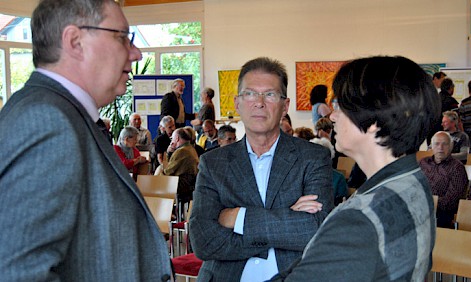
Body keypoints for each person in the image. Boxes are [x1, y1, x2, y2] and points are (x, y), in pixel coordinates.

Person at [0, 0, 171, 280]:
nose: (137, 53)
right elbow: (18, 272)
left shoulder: (65, 115)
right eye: (122, 37)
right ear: (75, 41)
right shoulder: (48, 121)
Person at [270, 56, 439, 281]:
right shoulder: (413, 178)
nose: (332, 115)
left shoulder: (357, 222)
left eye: (339, 105)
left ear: (373, 121)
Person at [190, 57, 334, 282]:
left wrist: (239, 218)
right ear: (237, 103)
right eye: (250, 94)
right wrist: (286, 223)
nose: (259, 102)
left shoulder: (313, 157)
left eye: (270, 94)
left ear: (285, 106)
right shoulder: (213, 163)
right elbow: (203, 241)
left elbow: (315, 230)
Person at [420, 131, 468, 228]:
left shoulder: (457, 168)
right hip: (418, 209)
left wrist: (429, 202)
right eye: (437, 144)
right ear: (431, 146)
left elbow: (452, 201)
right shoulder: (423, 163)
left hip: (441, 215)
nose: (440, 148)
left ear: (451, 146)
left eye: (445, 144)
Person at [161, 127, 199, 204]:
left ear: (177, 138)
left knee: (158, 179)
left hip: (182, 184)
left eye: (172, 139)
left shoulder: (182, 151)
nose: (171, 141)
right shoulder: (191, 148)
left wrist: (168, 153)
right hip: (190, 182)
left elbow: (168, 171)